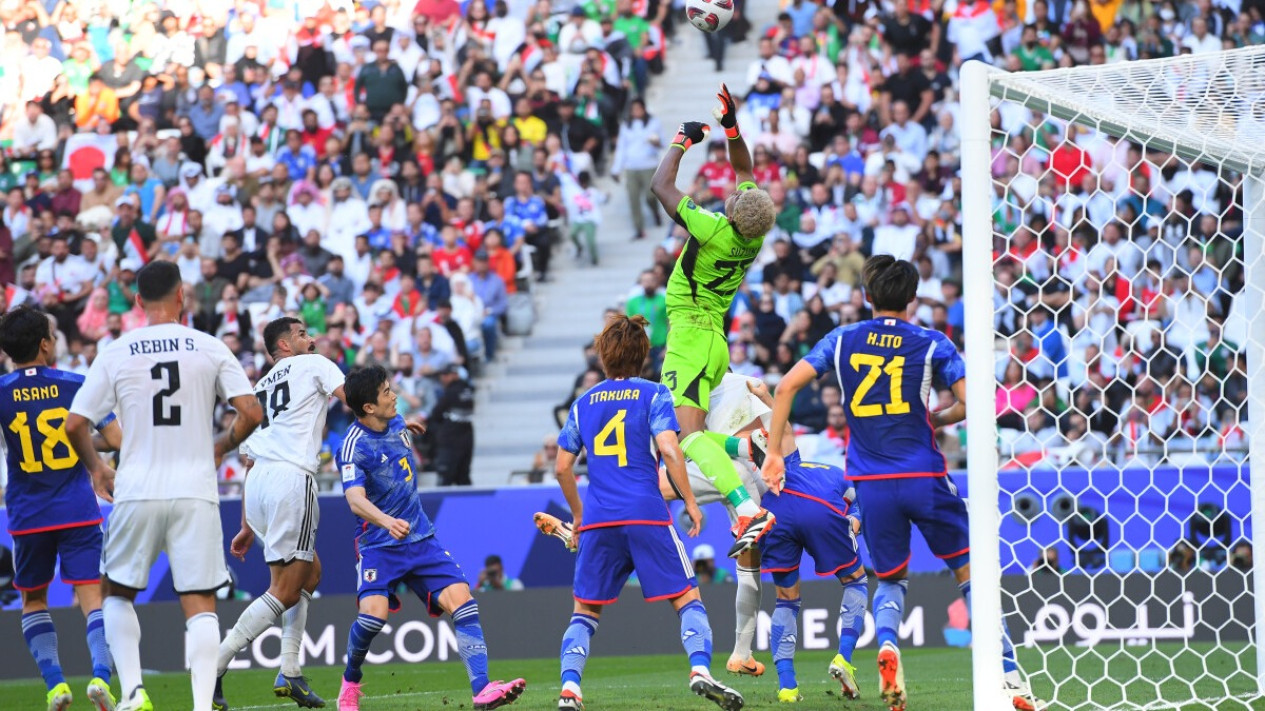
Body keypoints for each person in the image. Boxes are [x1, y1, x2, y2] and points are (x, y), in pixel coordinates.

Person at [759, 255, 1046, 711]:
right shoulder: (931, 342)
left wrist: (774, 453)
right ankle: (1010, 679)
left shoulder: (841, 339)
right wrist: (934, 416)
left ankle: (889, 646)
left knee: (890, 578)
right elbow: (972, 403)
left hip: (870, 484)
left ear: (867, 296)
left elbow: (785, 388)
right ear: (913, 299)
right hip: (923, 476)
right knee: (972, 576)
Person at [65, 261, 264, 711]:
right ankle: (199, 706)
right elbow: (251, 411)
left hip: (135, 488)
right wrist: (222, 444)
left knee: (116, 592)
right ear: (182, 297)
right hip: (195, 489)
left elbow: (75, 423)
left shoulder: (116, 351)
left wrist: (97, 468)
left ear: (137, 301)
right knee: (200, 604)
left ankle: (133, 692)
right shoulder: (209, 347)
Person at [552, 314, 743, 711]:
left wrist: (579, 515)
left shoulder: (582, 403)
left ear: (603, 356)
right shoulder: (654, 395)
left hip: (601, 518)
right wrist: (690, 501)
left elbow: (562, 468)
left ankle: (570, 688)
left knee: (585, 611)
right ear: (643, 356)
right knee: (688, 599)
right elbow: (671, 450)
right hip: (646, 513)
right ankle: (700, 671)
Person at [334, 365, 525, 711]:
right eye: (387, 393)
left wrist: (404, 425)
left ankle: (482, 690)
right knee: (373, 617)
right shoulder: (352, 447)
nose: (395, 396)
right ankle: (350, 681)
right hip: (379, 544)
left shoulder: (393, 421)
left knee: (463, 600)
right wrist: (386, 521)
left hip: (421, 537)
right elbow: (354, 499)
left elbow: (390, 433)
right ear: (368, 408)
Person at [650, 83, 778, 558]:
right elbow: (744, 168)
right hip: (715, 341)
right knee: (699, 434)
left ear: (730, 210)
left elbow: (660, 187)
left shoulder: (714, 228)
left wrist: (682, 140)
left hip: (688, 336)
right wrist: (731, 125)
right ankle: (747, 450)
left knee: (686, 439)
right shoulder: (753, 236)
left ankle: (746, 507)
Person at [213, 317, 347, 709]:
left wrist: (246, 525)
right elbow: (352, 397)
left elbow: (250, 462)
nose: (313, 338)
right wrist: (393, 423)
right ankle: (213, 663)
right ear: (284, 346)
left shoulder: (257, 390)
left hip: (258, 487)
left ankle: (289, 671)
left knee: (311, 572)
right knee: (285, 589)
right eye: (303, 333)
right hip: (291, 479)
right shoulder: (315, 364)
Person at [0, 307, 120, 711]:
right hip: (78, 510)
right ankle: (101, 677)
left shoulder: (1, 392)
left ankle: (56, 686)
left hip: (28, 514)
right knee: (91, 595)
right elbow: (116, 436)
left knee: (34, 600)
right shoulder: (76, 384)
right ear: (46, 344)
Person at [756, 445, 868, 704]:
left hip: (775, 512)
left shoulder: (791, 469)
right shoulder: (844, 475)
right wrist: (855, 521)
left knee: (785, 599)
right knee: (856, 581)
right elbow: (862, 502)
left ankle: (787, 687)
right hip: (819, 507)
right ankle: (844, 658)